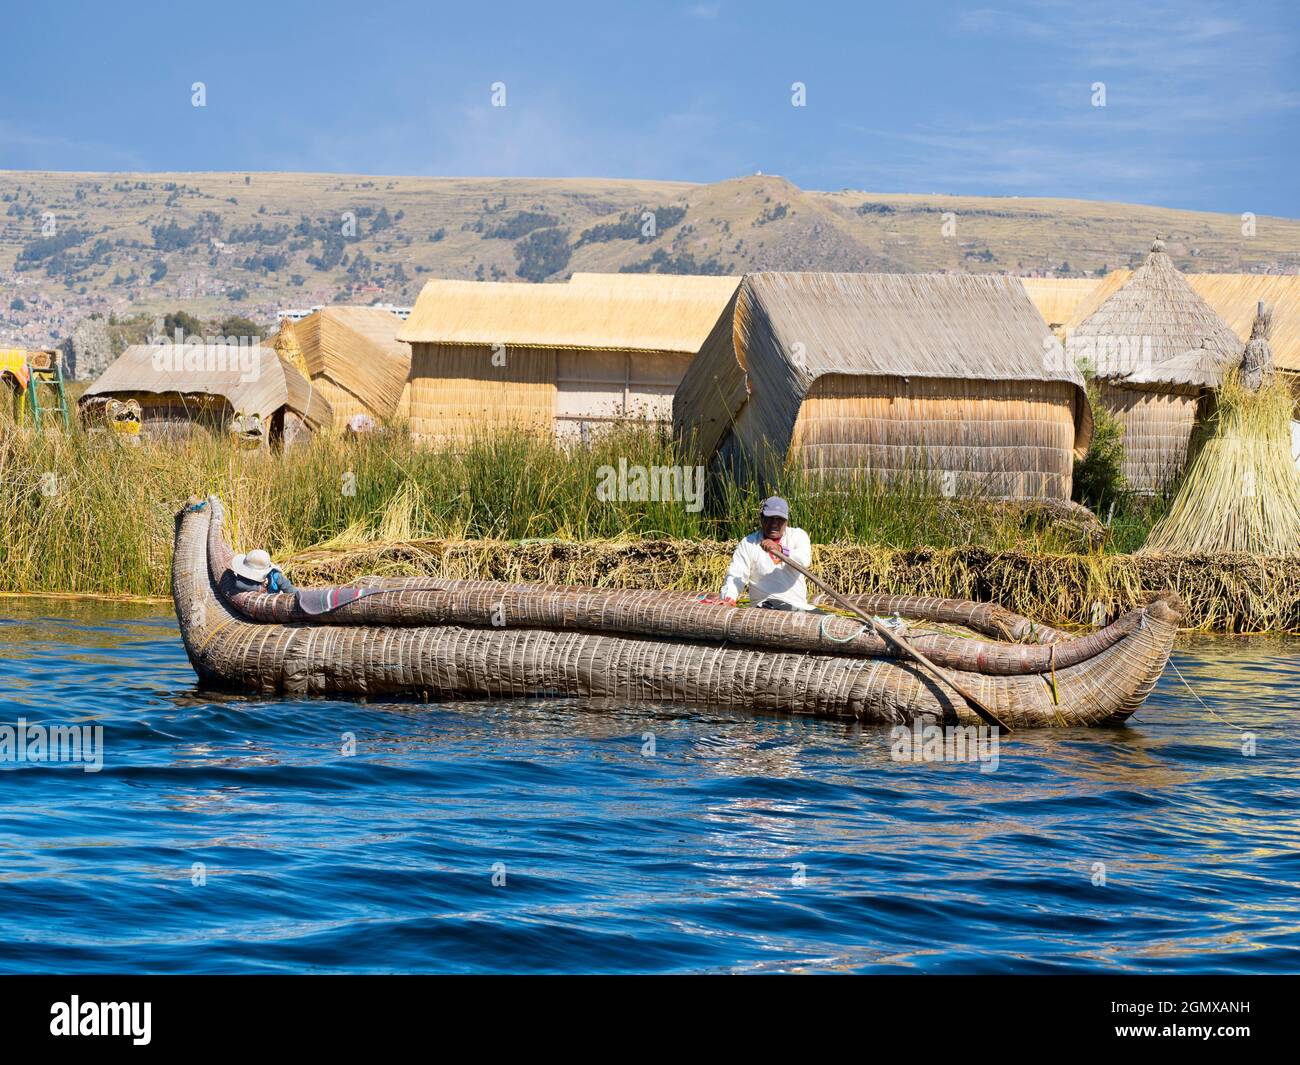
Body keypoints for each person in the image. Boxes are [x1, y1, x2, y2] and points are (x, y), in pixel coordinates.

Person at [718, 496, 812, 610]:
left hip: (797, 606)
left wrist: (781, 549)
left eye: (779, 519)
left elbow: (804, 560)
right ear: (762, 518)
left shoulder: (798, 536)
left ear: (786, 521)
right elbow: (736, 575)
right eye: (770, 518)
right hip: (763, 608)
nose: (774, 523)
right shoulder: (749, 543)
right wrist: (729, 598)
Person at [230, 549, 296, 594]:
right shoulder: (244, 574)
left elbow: (289, 588)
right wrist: (258, 588)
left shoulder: (275, 576)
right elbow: (238, 584)